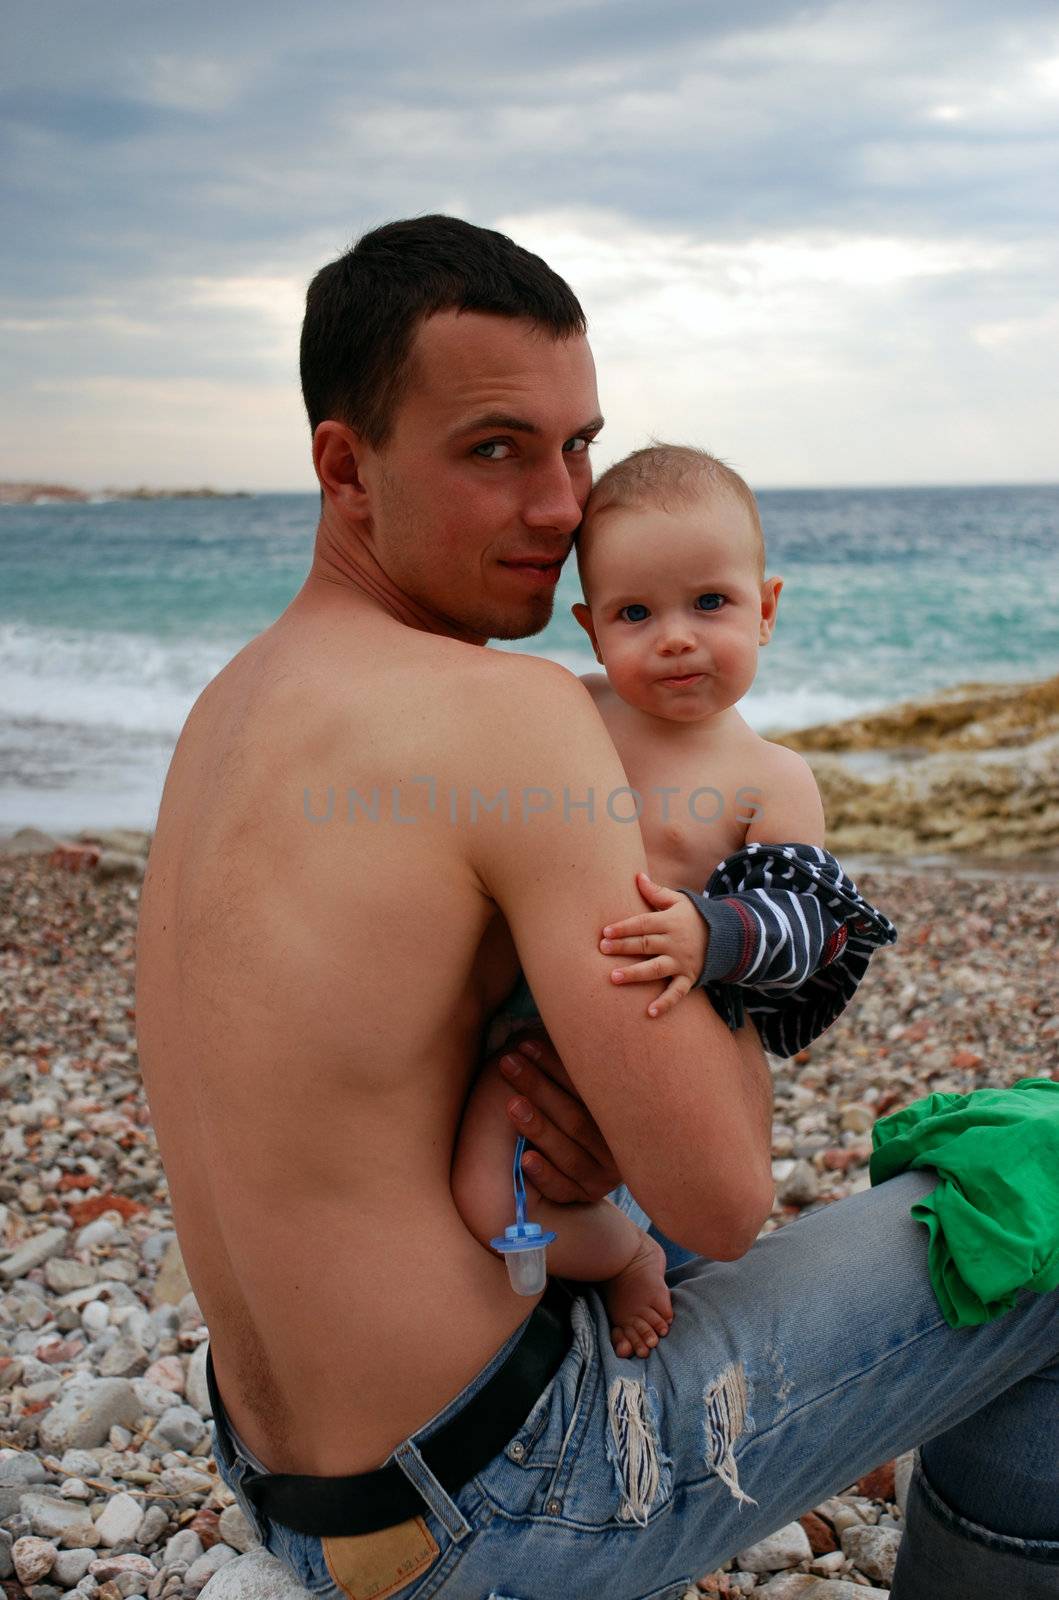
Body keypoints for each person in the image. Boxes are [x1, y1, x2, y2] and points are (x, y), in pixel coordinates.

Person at [134, 215, 1059, 1600]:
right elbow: (727, 1195)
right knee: (1037, 1201)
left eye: (577, 445)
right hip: (503, 1499)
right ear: (345, 465)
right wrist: (736, 906)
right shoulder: (507, 716)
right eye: (495, 449)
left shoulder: (233, 704)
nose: (565, 508)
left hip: (301, 1494)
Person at [452, 443, 897, 1361]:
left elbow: (809, 922)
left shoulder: (767, 776)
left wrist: (712, 931)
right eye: (634, 613)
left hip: (671, 1028)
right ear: (589, 628)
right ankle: (620, 1258)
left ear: (764, 609)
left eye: (709, 603)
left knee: (699, 1225)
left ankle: (660, 1269)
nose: (676, 637)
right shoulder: (570, 710)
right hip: (531, 1025)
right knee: (490, 1202)